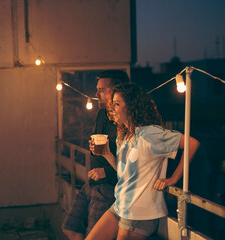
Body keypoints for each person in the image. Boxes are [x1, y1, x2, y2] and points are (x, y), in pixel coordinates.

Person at [85, 83, 200, 240]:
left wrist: (173, 178)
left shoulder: (150, 133)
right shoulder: (124, 135)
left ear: (131, 106)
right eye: (112, 103)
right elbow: (123, 173)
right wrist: (106, 154)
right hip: (120, 206)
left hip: (138, 214)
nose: (112, 107)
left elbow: (192, 143)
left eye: (117, 103)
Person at [62, 70, 130, 240]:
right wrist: (93, 146)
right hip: (91, 184)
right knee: (69, 228)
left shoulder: (127, 119)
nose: (96, 94)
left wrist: (106, 171)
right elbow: (100, 145)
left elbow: (133, 164)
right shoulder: (102, 113)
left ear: (118, 90)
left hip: (109, 188)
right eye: (97, 89)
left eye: (102, 90)